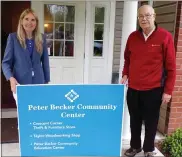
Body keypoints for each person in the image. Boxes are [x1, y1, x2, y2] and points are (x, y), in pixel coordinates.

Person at [121, 5, 176, 157]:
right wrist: (125, 74)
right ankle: (135, 146)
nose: (144, 19)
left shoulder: (165, 37)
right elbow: (127, 59)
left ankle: (149, 149)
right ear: (138, 18)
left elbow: (171, 67)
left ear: (154, 16)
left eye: (147, 15)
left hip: (154, 89)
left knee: (151, 122)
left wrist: (168, 91)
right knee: (134, 120)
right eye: (140, 16)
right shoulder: (133, 37)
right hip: (133, 88)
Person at [2, 8, 50, 103]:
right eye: (26, 19)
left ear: (36, 23)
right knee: (24, 113)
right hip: (20, 83)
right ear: (21, 21)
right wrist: (11, 78)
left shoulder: (42, 38)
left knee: (38, 110)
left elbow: (45, 62)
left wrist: (47, 81)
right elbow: (5, 63)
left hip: (39, 82)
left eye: (33, 20)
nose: (30, 22)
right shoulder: (13, 38)